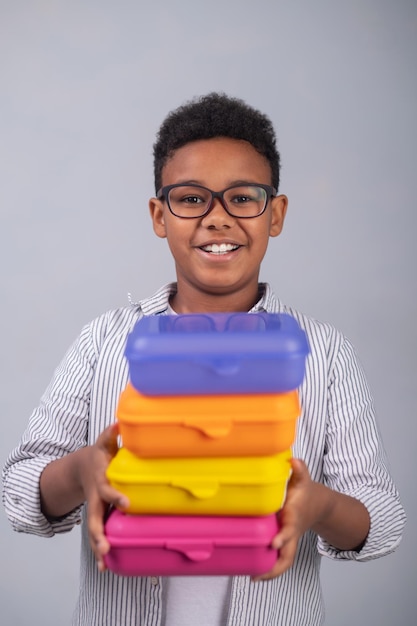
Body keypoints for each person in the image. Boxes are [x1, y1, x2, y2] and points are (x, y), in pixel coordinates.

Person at [2, 93, 406, 626]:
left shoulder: (324, 354)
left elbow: (383, 522)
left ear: (276, 213)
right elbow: (17, 490)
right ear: (159, 215)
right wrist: (79, 471)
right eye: (191, 199)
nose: (218, 220)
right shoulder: (104, 341)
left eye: (243, 197)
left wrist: (320, 508)